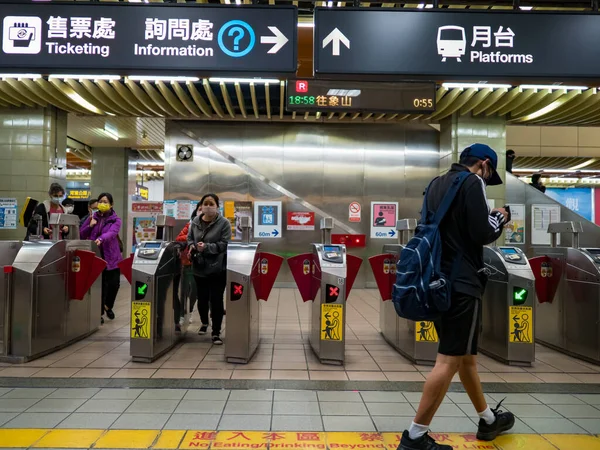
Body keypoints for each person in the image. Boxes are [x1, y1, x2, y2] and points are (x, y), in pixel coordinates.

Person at [399, 144, 514, 450]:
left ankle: (489, 420)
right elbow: (480, 233)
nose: (487, 181)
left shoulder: (437, 183)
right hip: (462, 283)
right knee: (449, 360)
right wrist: (499, 218)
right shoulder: (472, 181)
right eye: (489, 176)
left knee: (466, 358)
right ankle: (415, 436)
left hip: (437, 281)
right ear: (485, 165)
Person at [187, 193, 231, 345]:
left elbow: (225, 244)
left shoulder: (224, 223)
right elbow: (189, 238)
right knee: (202, 298)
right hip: (199, 267)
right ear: (201, 206)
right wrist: (192, 246)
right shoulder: (195, 222)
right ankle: (205, 323)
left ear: (217, 206)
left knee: (216, 299)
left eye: (212, 204)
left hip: (217, 268)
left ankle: (216, 332)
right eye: (206, 203)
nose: (208, 206)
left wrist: (207, 247)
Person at [80, 193, 123, 324]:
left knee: (114, 284)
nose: (102, 203)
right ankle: (98, 313)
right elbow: (81, 234)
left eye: (105, 201)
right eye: (100, 201)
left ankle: (107, 306)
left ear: (111, 204)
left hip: (111, 255)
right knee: (100, 285)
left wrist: (101, 238)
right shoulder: (92, 218)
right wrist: (90, 225)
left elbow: (112, 233)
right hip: (96, 255)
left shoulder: (116, 220)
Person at [175, 201, 202, 325]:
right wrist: (191, 237)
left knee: (195, 290)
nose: (202, 211)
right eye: (200, 209)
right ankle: (181, 314)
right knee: (185, 289)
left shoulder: (213, 226)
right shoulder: (190, 224)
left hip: (202, 262)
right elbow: (179, 238)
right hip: (188, 261)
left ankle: (189, 310)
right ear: (196, 211)